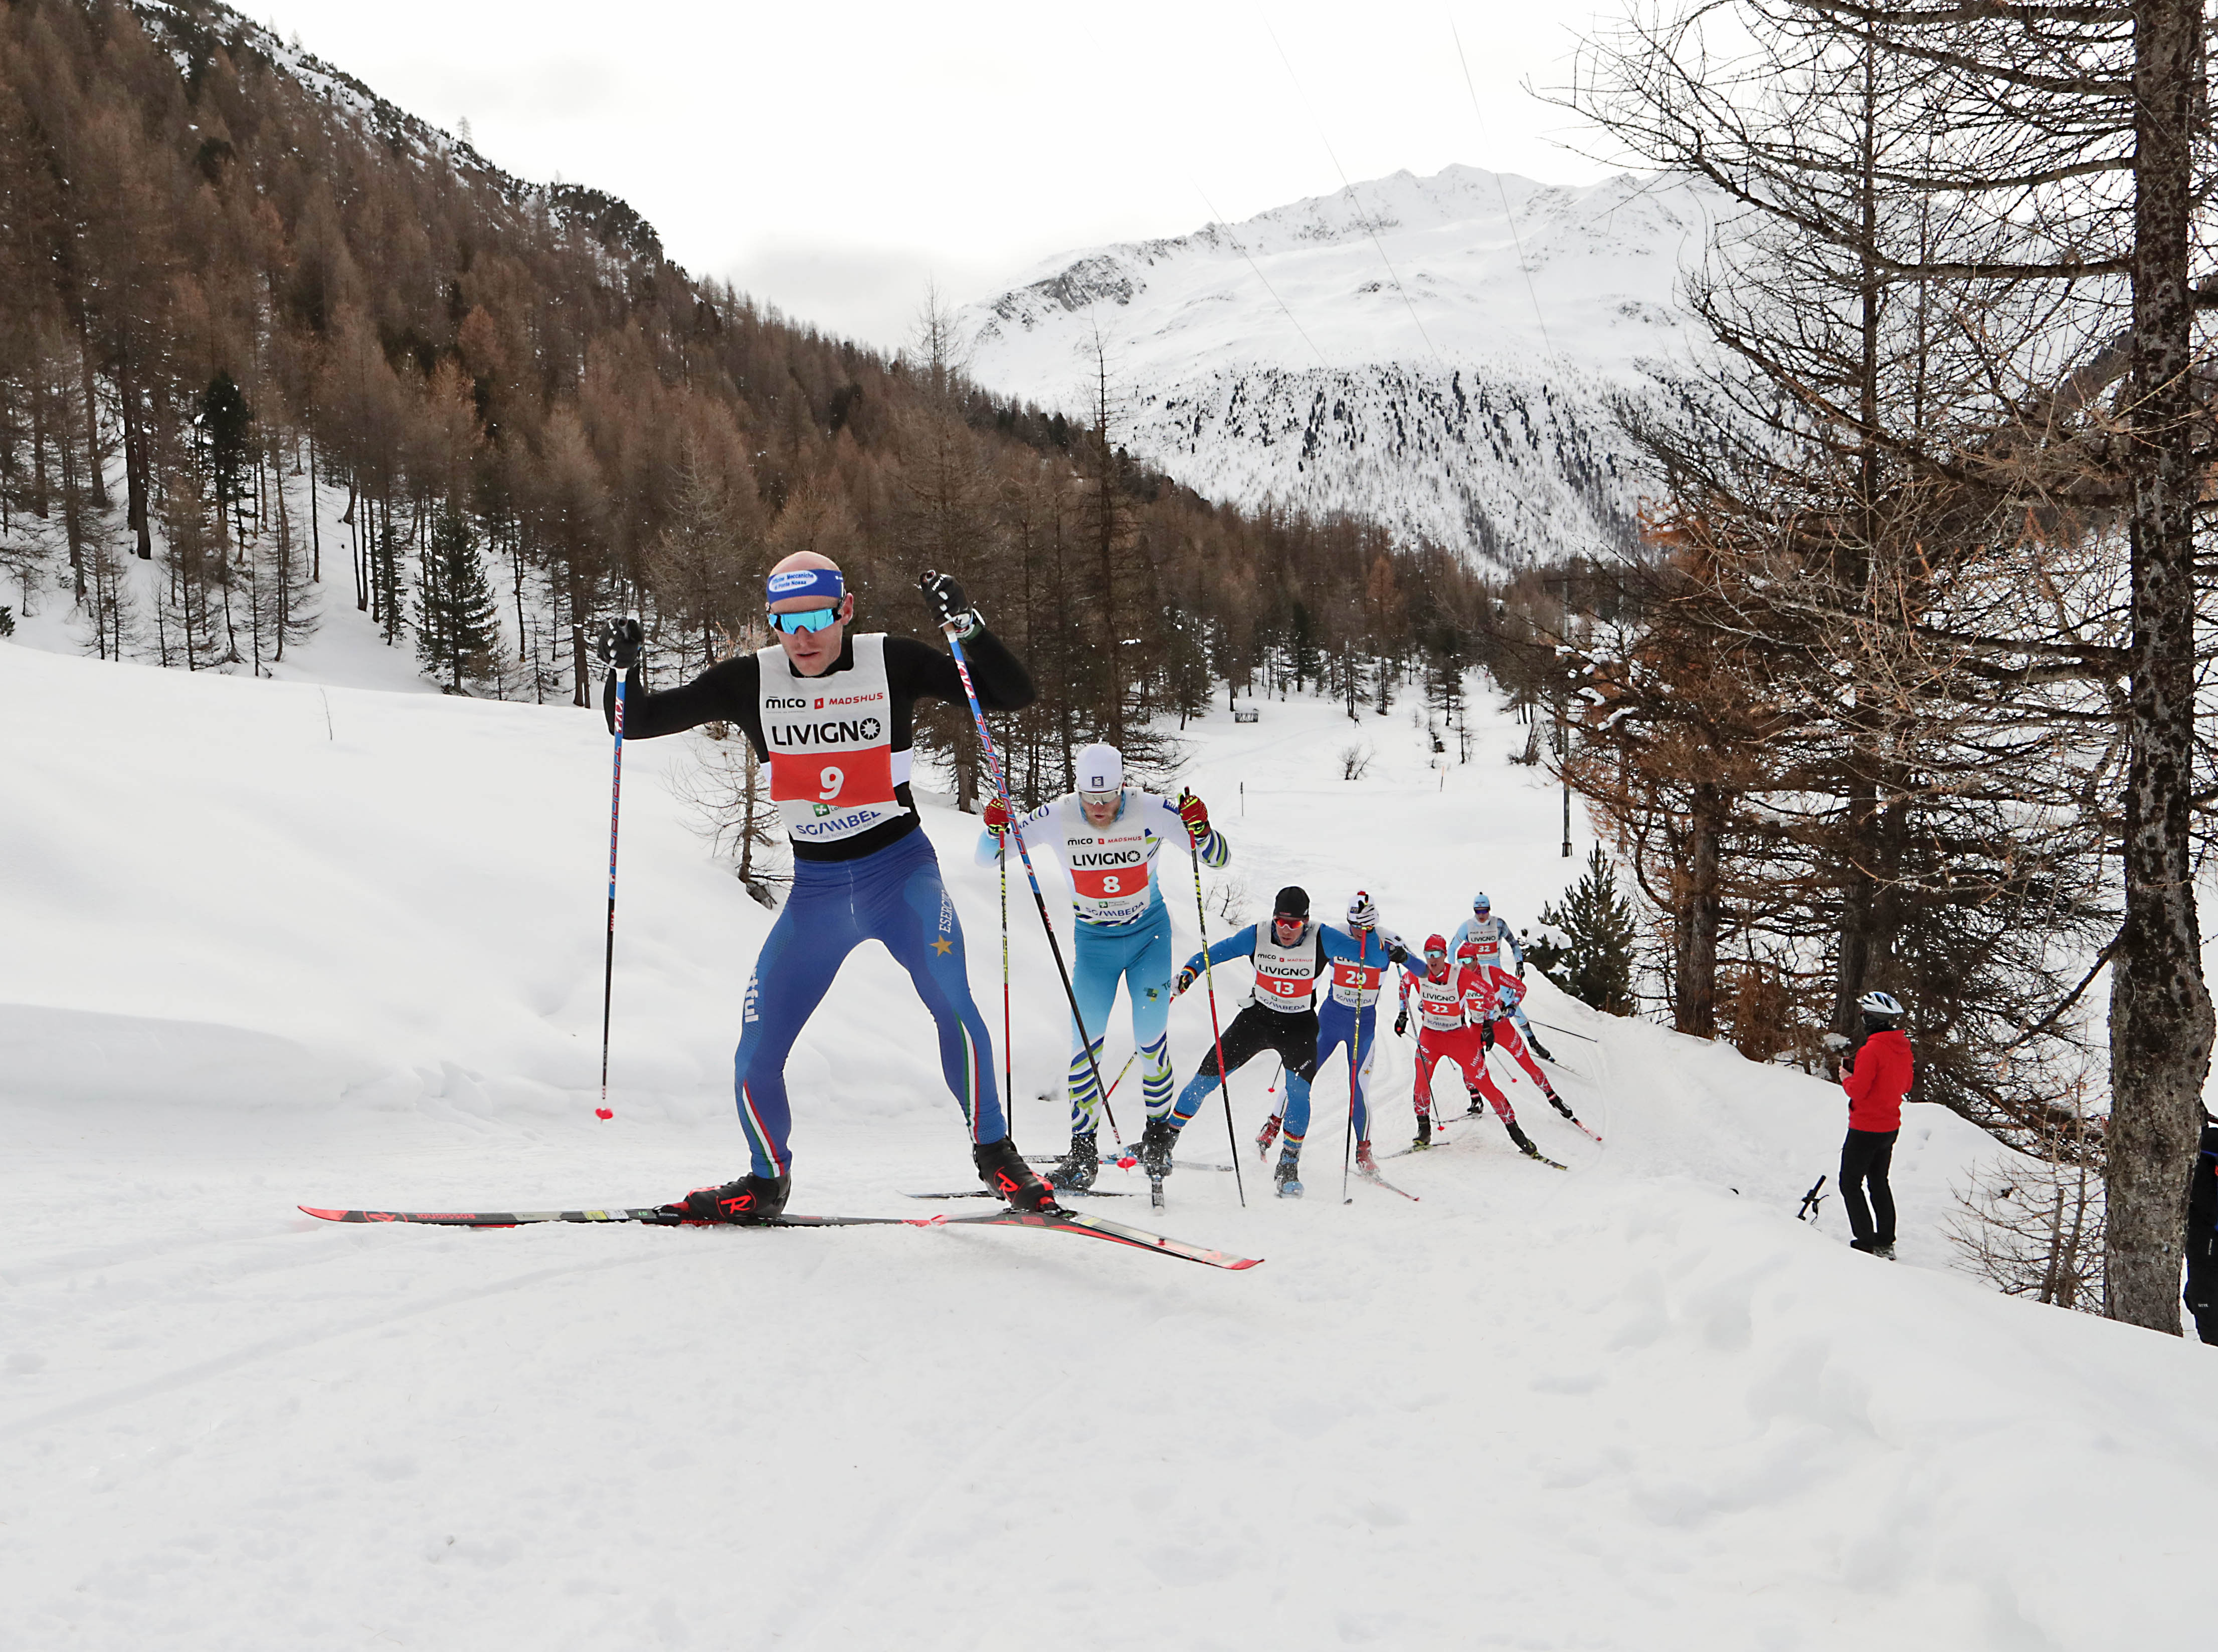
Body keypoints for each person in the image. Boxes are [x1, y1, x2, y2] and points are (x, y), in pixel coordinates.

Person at [595, 553, 1055, 1221]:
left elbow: (1012, 695)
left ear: (845, 610)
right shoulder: (752, 679)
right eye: (785, 622)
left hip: (901, 876)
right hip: (815, 895)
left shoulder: (891, 660)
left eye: (816, 618)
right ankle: (764, 1182)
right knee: (756, 1047)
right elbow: (631, 721)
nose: (802, 637)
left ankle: (998, 1159)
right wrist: (623, 670)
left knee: (954, 1006)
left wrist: (969, 628)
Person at [974, 742, 1227, 1190]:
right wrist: (993, 829)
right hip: (1094, 946)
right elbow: (987, 857)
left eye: (1107, 799)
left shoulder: (1151, 809)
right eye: (1090, 800)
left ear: (1121, 786)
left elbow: (1217, 858)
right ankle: (1083, 1154)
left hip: (1149, 937)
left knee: (1151, 1040)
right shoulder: (1057, 814)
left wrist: (1201, 828)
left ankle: (1157, 1140)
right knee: (1084, 1047)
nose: (1099, 809)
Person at [1172, 887, 1405, 1197]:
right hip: (1256, 1020)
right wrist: (1191, 971)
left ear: (1306, 923)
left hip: (1298, 1026)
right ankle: (1163, 1141)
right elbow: (1215, 953)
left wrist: (1380, 941)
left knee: (1298, 1092)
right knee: (1205, 1079)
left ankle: (1288, 1164)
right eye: (1280, 922)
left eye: (1294, 925)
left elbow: (1372, 957)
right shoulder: (1258, 934)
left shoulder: (1322, 938)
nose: (1285, 930)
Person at [1393, 936, 1548, 1160]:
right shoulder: (1418, 972)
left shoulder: (1458, 975)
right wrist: (1402, 1014)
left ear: (1445, 955)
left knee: (1486, 1085)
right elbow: (1403, 985)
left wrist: (1487, 1024)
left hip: (1458, 1038)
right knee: (1420, 1084)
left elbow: (1486, 992)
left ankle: (1517, 1135)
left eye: (1437, 954)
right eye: (1429, 955)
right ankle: (1424, 1131)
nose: (1432, 959)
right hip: (1430, 1039)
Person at [1838, 989, 1914, 1259]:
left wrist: (1846, 1076)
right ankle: (1885, 1242)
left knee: (1849, 1183)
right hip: (1890, 1126)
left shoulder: (1871, 1050)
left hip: (1865, 1127)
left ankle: (1866, 1242)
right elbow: (1905, 1085)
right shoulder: (1903, 1048)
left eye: (1864, 1013)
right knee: (1879, 1182)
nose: (1861, 1017)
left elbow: (1857, 1091)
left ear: (1871, 1019)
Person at [1451, 892, 1553, 1060]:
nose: (1482, 915)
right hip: (1475, 976)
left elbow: (1514, 944)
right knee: (1475, 1010)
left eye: (1485, 911)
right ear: (1474, 911)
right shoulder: (1467, 927)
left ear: (1489, 909)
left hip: (1495, 975)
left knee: (1515, 1008)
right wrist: (1454, 970)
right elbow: (1452, 948)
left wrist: (1519, 963)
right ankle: (1478, 1049)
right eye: (1478, 911)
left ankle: (1533, 1042)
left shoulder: (1499, 924)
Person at [2184, 1113, 2218, 1344]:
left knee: (2201, 1293)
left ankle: (2210, 1347)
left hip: (2208, 1228)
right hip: (2205, 1227)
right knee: (2198, 1293)